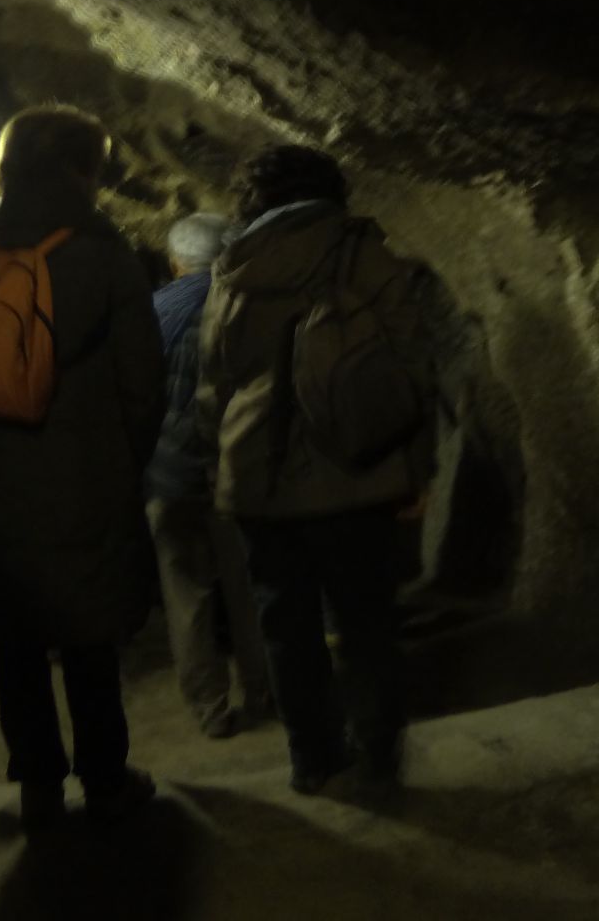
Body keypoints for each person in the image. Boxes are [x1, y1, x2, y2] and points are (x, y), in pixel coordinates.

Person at [0, 106, 165, 826]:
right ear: (81, 171)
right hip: (86, 476)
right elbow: (142, 383)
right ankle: (103, 775)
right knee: (89, 643)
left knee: (17, 643)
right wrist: (125, 464)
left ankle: (36, 783)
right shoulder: (103, 252)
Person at [194, 144, 434, 799]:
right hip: (360, 470)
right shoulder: (364, 253)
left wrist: (224, 462)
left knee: (286, 626)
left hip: (258, 478)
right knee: (367, 624)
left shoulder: (232, 268)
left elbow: (215, 374)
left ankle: (313, 760)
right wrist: (415, 473)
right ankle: (378, 760)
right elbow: (411, 370)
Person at [144, 212, 272, 739]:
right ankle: (269, 692)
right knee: (252, 587)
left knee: (186, 593)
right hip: (239, 470)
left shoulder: (151, 312)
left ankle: (211, 709)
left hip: (169, 476)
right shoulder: (249, 309)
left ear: (176, 261)